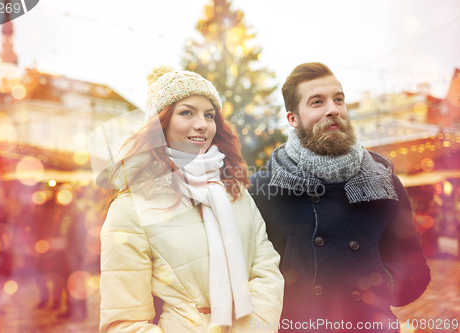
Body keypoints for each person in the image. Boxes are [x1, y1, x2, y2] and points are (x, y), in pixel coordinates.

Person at [100, 66, 284, 333]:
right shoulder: (131, 209)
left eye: (209, 115)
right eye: (187, 112)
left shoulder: (235, 192)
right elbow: (124, 323)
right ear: (160, 125)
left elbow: (266, 272)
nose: (202, 124)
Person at [249, 62, 430, 332]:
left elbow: (416, 271)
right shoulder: (264, 188)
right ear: (292, 119)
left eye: (338, 99)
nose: (333, 109)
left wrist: (381, 281)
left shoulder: (383, 182)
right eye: (317, 102)